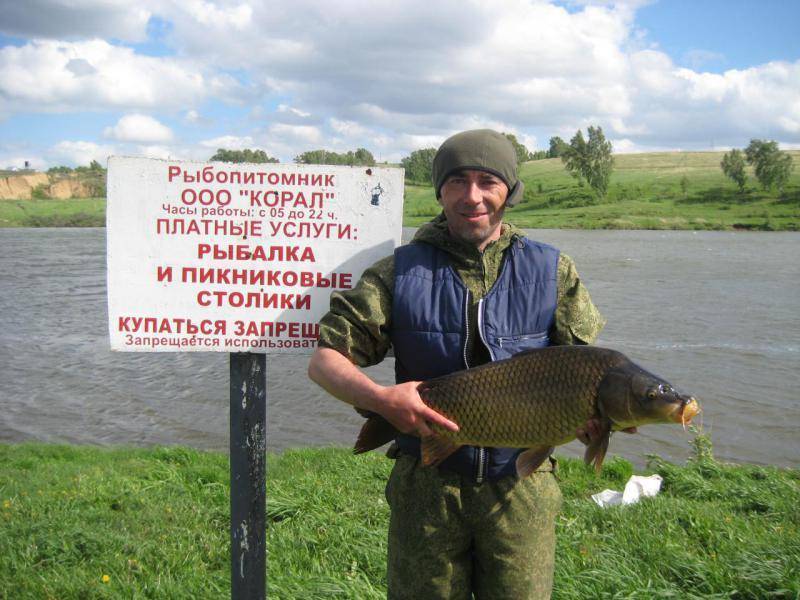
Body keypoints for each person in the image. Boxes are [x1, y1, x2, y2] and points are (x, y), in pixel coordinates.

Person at [308, 129, 607, 599]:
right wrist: (382, 400)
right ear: (440, 191)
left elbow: (587, 371)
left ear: (510, 190)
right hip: (427, 489)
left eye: (488, 181)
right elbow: (326, 361)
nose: (472, 197)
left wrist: (593, 419)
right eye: (457, 181)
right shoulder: (397, 272)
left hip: (520, 487)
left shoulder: (554, 271)